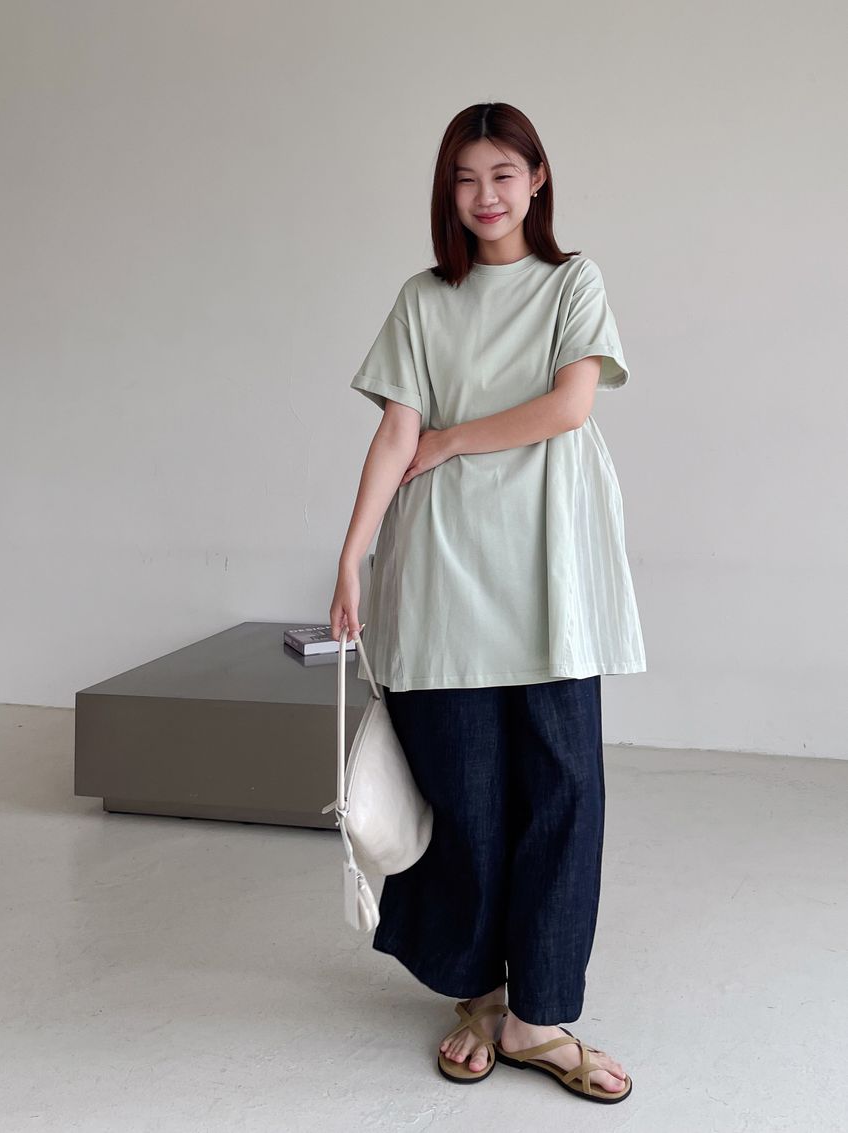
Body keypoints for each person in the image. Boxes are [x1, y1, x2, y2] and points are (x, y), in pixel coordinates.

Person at [329, 101, 645, 1105]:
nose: (485, 195)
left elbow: (569, 406)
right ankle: (478, 993)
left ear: (536, 178)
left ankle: (538, 1015)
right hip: (443, 569)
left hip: (551, 572)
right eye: (465, 178)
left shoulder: (571, 282)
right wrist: (351, 555)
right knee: (463, 794)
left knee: (563, 791)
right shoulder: (424, 298)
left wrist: (454, 438)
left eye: (503, 174)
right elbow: (395, 433)